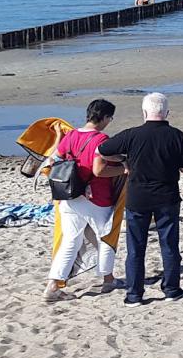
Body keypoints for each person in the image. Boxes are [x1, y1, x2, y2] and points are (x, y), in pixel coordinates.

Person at [96, 93, 183, 306]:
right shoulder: (177, 136)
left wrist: (123, 160)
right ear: (167, 113)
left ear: (144, 113)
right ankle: (171, 289)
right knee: (169, 245)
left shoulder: (131, 135)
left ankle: (134, 294)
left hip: (138, 198)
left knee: (136, 248)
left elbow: (102, 150)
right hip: (166, 197)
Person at [44, 99, 125, 301]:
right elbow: (100, 170)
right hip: (96, 197)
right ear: (105, 118)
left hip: (70, 196)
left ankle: (53, 285)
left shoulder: (71, 135)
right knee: (105, 237)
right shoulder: (101, 139)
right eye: (110, 118)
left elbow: (55, 159)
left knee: (70, 240)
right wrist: (124, 169)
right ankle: (108, 279)